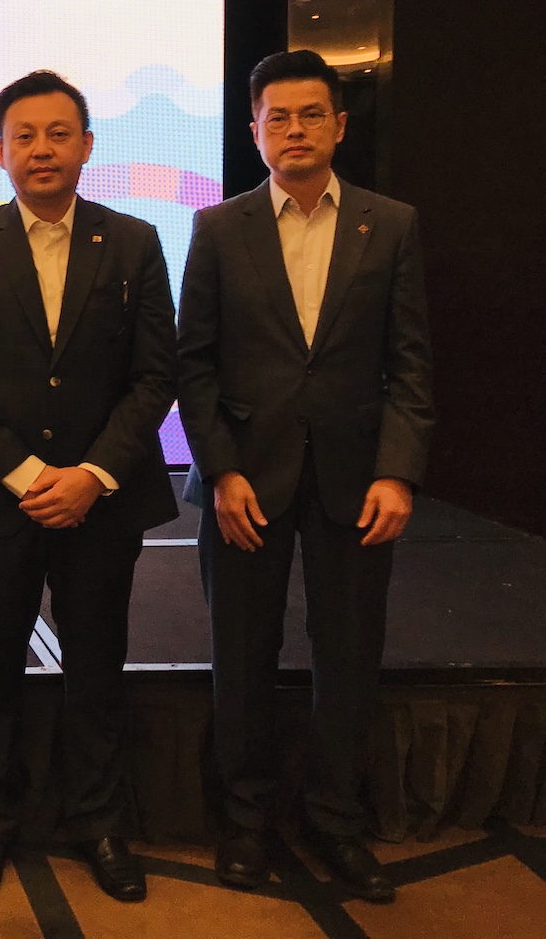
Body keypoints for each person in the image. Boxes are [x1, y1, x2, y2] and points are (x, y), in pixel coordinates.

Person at [178, 50, 434, 903]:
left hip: (356, 484)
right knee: (240, 656)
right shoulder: (218, 229)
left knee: (349, 658)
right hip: (243, 485)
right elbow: (193, 365)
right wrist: (219, 470)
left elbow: (410, 364)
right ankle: (244, 822)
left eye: (310, 114)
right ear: (253, 131)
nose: (294, 131)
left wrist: (397, 473)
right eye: (277, 117)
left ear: (339, 125)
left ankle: (336, 821)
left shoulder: (388, 225)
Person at [0, 70, 178, 904]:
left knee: (97, 666)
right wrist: (29, 474)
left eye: (58, 133)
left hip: (102, 501)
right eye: (24, 136)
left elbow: (154, 375)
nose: (42, 149)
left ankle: (98, 822)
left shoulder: (133, 242)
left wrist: (92, 475)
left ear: (87, 145)